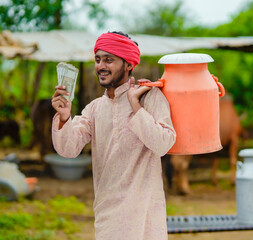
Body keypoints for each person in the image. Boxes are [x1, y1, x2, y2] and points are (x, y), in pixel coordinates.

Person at [51, 31, 176, 239]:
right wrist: (64, 117)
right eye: (98, 60)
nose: (101, 66)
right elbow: (68, 149)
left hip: (144, 216)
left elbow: (163, 145)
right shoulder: (94, 109)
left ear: (128, 64)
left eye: (109, 60)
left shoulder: (150, 97)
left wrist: (135, 105)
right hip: (108, 216)